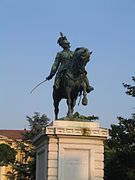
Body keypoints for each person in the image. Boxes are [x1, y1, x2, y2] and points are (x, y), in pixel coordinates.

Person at [46, 33, 93, 97]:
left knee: (83, 73)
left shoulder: (73, 53)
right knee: (59, 75)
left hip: (73, 68)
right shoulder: (60, 54)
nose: (67, 45)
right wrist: (51, 74)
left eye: (68, 44)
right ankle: (57, 86)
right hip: (63, 68)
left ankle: (88, 86)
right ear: (62, 45)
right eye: (65, 44)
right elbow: (55, 64)